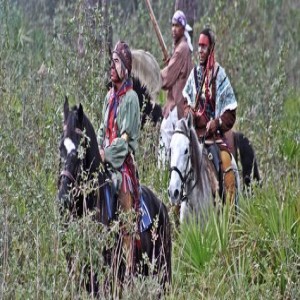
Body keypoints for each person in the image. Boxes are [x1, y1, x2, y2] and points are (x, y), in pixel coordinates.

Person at [98, 40, 141, 275]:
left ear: (124, 67)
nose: (111, 67)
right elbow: (103, 129)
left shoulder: (131, 98)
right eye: (111, 62)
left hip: (121, 165)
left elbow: (125, 140)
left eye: (115, 62)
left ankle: (129, 264)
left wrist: (107, 153)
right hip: (104, 159)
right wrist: (95, 150)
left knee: (125, 209)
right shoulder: (108, 97)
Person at [183, 27, 237, 204]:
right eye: (198, 46)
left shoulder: (220, 76)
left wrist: (217, 122)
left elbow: (230, 112)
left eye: (204, 47)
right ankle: (175, 211)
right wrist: (189, 112)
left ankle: (230, 217)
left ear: (211, 48)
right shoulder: (194, 75)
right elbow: (186, 102)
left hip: (213, 139)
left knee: (228, 164)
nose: (200, 50)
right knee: (178, 163)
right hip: (195, 137)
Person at [158, 10, 193, 168]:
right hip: (179, 101)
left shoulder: (182, 49)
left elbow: (168, 78)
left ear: (183, 28)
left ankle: (163, 172)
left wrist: (155, 75)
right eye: (172, 25)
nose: (173, 29)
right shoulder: (181, 47)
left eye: (177, 26)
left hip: (178, 103)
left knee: (165, 131)